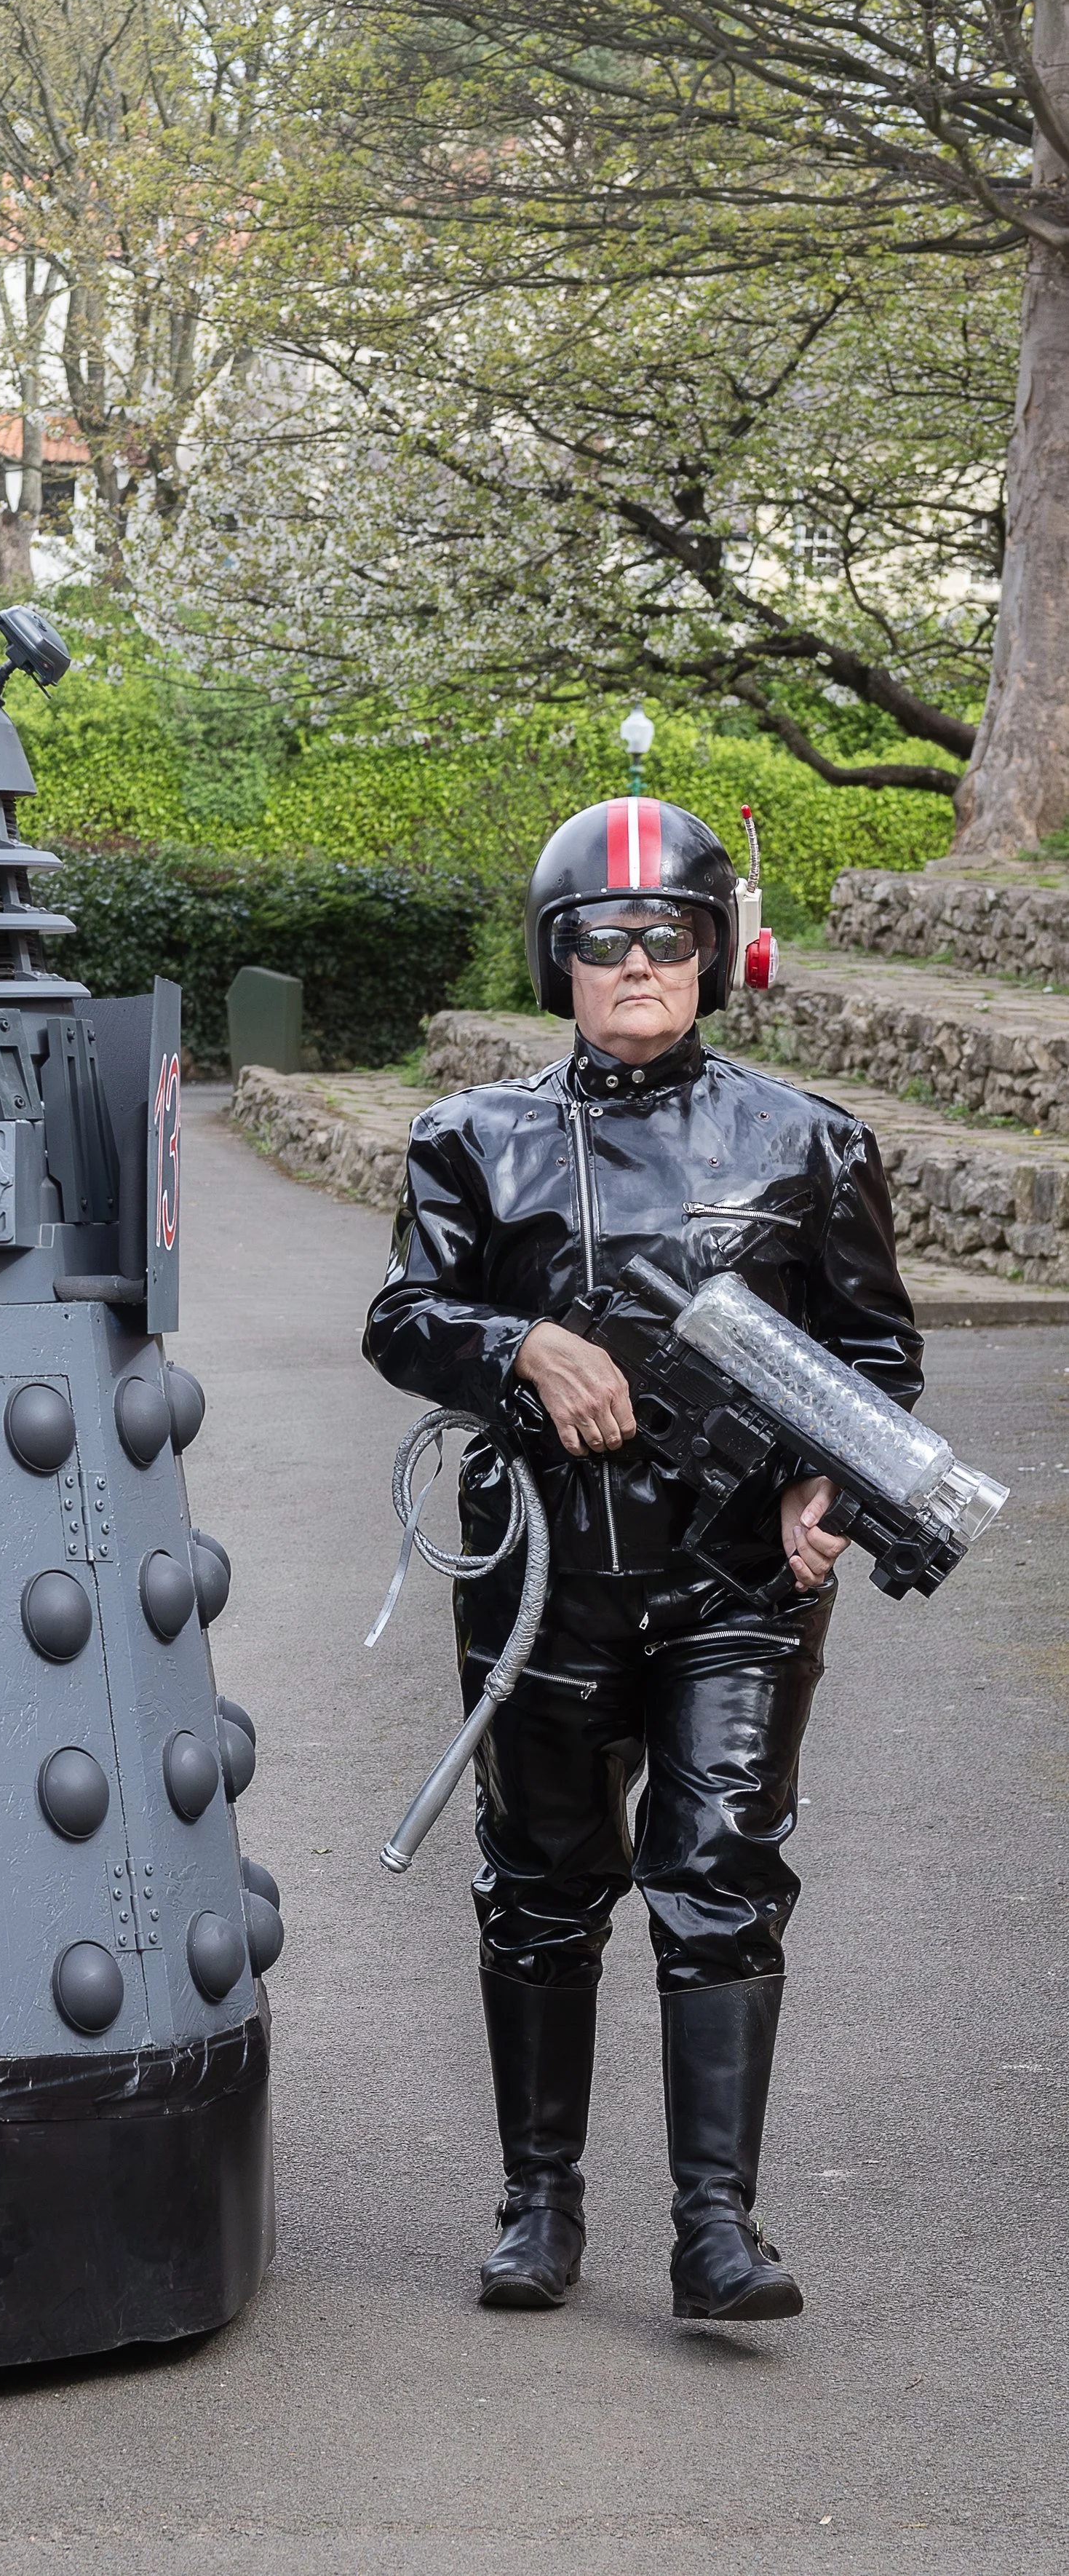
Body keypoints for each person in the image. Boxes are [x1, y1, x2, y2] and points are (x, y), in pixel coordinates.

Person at [363, 797, 921, 2322]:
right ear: (557, 962)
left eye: (663, 936)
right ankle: (535, 2204)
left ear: (709, 957)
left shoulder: (810, 1142)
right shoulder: (465, 1143)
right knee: (539, 1886)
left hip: (738, 1582)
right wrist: (520, 1343)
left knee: (721, 1877)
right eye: (600, 940)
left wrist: (835, 1489)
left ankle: (714, 2229)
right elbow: (401, 1322)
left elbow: (874, 1356)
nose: (633, 964)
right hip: (541, 1575)